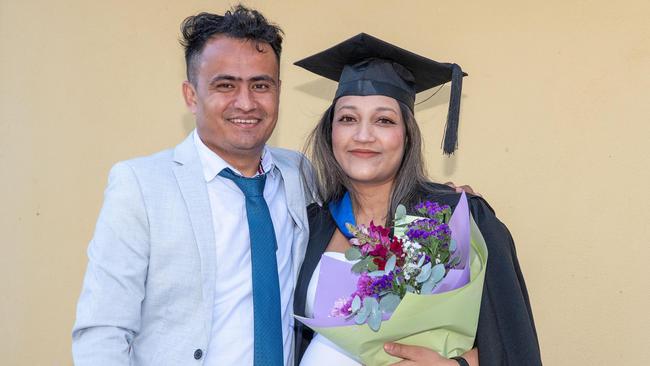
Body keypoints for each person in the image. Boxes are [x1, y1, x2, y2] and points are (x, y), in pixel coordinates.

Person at [72, 6, 311, 365]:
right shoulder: (141, 185)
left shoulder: (300, 174)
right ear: (191, 94)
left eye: (261, 85)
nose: (246, 102)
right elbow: (102, 331)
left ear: (278, 91)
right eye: (225, 85)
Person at [292, 34, 542, 366]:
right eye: (348, 119)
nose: (363, 135)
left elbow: (514, 345)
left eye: (384, 120)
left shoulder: (457, 221)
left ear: (407, 135)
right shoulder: (310, 226)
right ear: (330, 132)